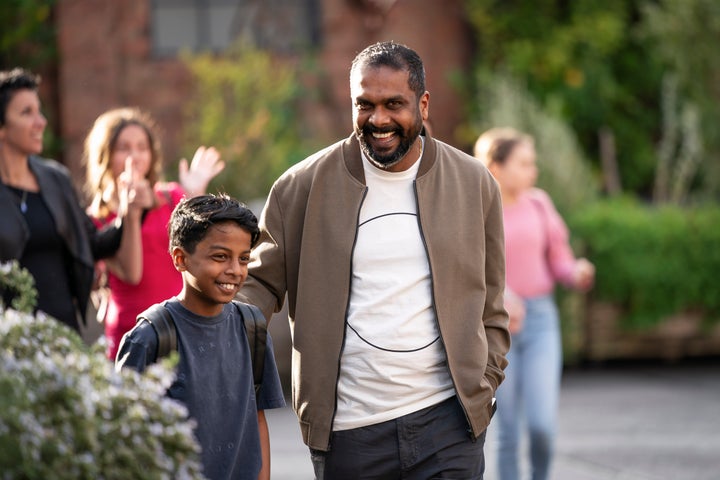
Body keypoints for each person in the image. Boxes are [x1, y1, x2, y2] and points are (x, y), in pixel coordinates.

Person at [238, 41, 511, 479]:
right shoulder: (300, 187)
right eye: (364, 105)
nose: (378, 120)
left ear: (422, 103)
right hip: (349, 432)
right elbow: (258, 285)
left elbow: (491, 301)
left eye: (393, 104)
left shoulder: (473, 182)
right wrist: (206, 332)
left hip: (449, 425)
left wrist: (485, 381)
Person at [115, 193, 285, 480]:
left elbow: (257, 420)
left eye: (243, 259)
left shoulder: (252, 328)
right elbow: (123, 436)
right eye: (220, 257)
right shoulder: (149, 337)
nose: (234, 270)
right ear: (181, 258)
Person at [474, 127, 595, 480]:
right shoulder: (478, 210)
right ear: (496, 166)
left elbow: (559, 259)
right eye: (524, 163)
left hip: (541, 322)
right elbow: (470, 268)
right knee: (507, 432)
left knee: (542, 426)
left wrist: (576, 272)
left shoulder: (539, 202)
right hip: (497, 329)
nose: (533, 170)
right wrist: (503, 297)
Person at [0, 68, 143, 331]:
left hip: (65, 331)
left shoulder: (56, 179)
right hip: (12, 343)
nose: (40, 122)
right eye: (26, 113)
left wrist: (128, 211)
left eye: (39, 111)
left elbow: (93, 244)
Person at [83, 107, 225, 359]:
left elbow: (207, 255)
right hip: (133, 334)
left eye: (141, 147)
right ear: (105, 155)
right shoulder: (98, 219)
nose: (134, 156)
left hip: (181, 329)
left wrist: (195, 195)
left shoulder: (171, 197)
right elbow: (132, 273)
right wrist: (131, 213)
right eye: (124, 148)